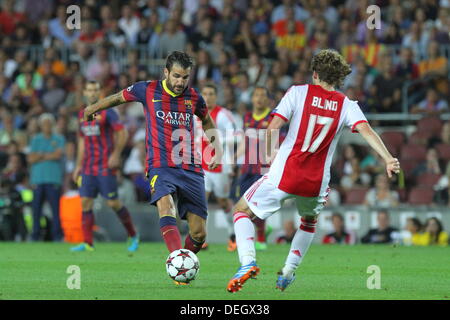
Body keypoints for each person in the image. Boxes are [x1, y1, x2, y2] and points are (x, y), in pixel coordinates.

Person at [225, 49, 400, 293]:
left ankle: (247, 262)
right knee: (308, 221)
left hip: (285, 172)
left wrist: (267, 153)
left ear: (315, 74)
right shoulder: (347, 105)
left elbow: (272, 126)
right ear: (338, 78)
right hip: (315, 182)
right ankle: (288, 270)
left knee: (241, 211)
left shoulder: (298, 92)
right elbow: (367, 130)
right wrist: (389, 159)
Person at [83, 51, 221, 282]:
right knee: (165, 207)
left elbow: (206, 120)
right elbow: (117, 97)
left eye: (185, 77)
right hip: (160, 164)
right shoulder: (146, 89)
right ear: (166, 72)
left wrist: (217, 147)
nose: (180, 82)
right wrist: (93, 108)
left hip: (191, 167)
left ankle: (181, 264)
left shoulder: (194, 97)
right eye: (176, 76)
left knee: (198, 234)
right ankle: (178, 262)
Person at [70, 80, 139, 252]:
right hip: (87, 167)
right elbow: (81, 141)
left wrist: (116, 155)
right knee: (85, 202)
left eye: (95, 90)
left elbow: (122, 133)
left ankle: (132, 235)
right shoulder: (81, 115)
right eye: (89, 90)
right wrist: (78, 165)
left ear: (99, 92)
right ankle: (88, 243)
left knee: (113, 203)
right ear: (85, 92)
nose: (92, 93)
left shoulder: (108, 112)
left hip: (105, 166)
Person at [195, 83, 236, 250]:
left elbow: (235, 137)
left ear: (216, 96)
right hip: (201, 165)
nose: (208, 96)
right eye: (205, 93)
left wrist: (215, 141)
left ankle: (233, 234)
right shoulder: (194, 115)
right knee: (200, 200)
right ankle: (201, 238)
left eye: (211, 93)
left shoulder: (223, 115)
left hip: (220, 165)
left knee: (223, 201)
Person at [234, 86, 274, 252]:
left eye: (262, 95)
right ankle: (259, 230)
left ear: (267, 99)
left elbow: (276, 141)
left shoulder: (272, 117)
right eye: (256, 95)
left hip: (264, 168)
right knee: (244, 204)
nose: (259, 98)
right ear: (252, 99)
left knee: (258, 204)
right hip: (247, 168)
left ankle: (262, 238)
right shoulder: (248, 117)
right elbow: (244, 141)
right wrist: (235, 158)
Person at [28, 113, 65, 241]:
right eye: (44, 124)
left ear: (52, 124)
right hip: (37, 179)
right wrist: (49, 154)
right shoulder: (35, 139)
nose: (47, 126)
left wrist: (40, 155)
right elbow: (31, 158)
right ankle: (35, 235)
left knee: (56, 210)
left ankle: (57, 236)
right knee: (36, 210)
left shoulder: (59, 138)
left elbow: (58, 155)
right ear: (40, 125)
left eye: (49, 123)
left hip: (53, 179)